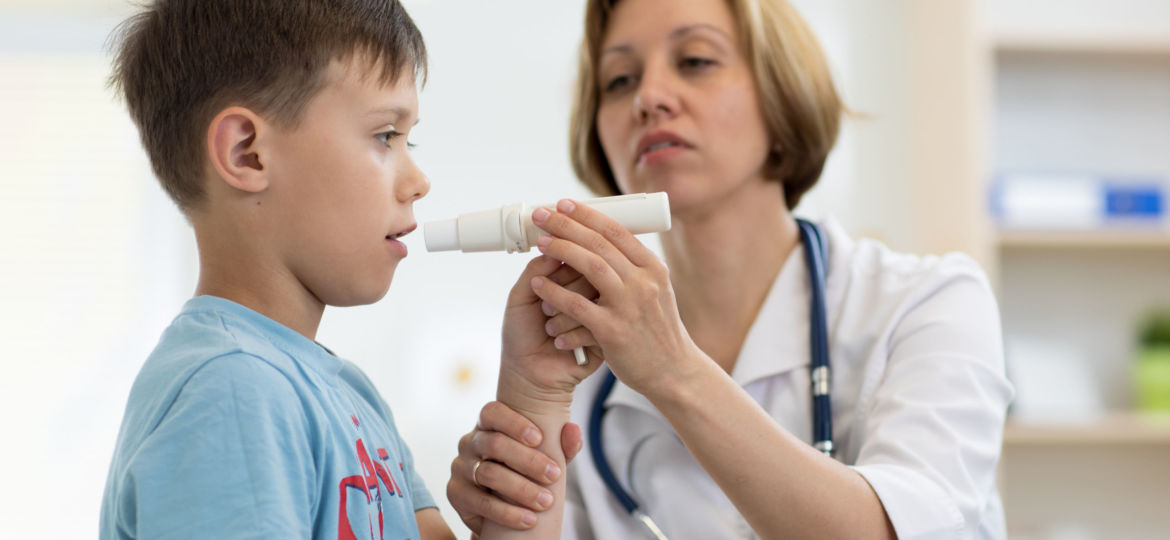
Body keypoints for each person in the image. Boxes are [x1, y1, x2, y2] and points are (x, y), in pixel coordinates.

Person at [447, 0, 1014, 538]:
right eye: (619, 80)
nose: (649, 97)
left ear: (781, 92)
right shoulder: (583, 374)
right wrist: (518, 453)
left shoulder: (927, 303)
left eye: (695, 61)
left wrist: (673, 372)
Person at [98, 1, 592, 538]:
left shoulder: (346, 393)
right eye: (385, 135)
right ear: (247, 154)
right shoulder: (234, 391)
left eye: (410, 139)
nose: (419, 180)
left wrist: (534, 392)